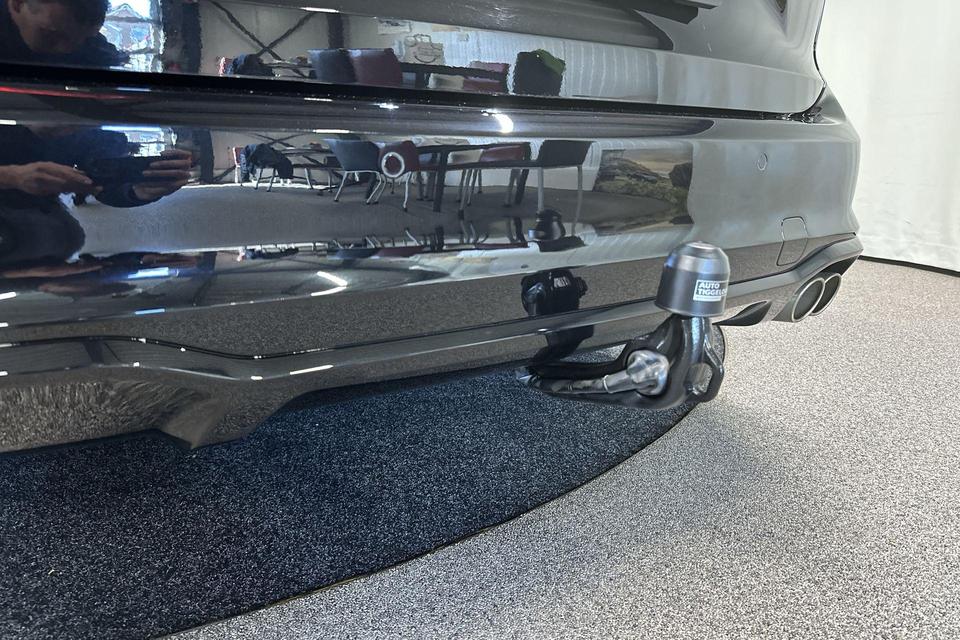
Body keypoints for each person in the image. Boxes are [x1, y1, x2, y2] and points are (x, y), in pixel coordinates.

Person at [0, 0, 192, 268]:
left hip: (34, 209)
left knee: (65, 238)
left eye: (81, 38)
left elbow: (97, 169)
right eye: (52, 34)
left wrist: (139, 191)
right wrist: (11, 175)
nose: (65, 48)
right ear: (17, 4)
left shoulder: (90, 62)